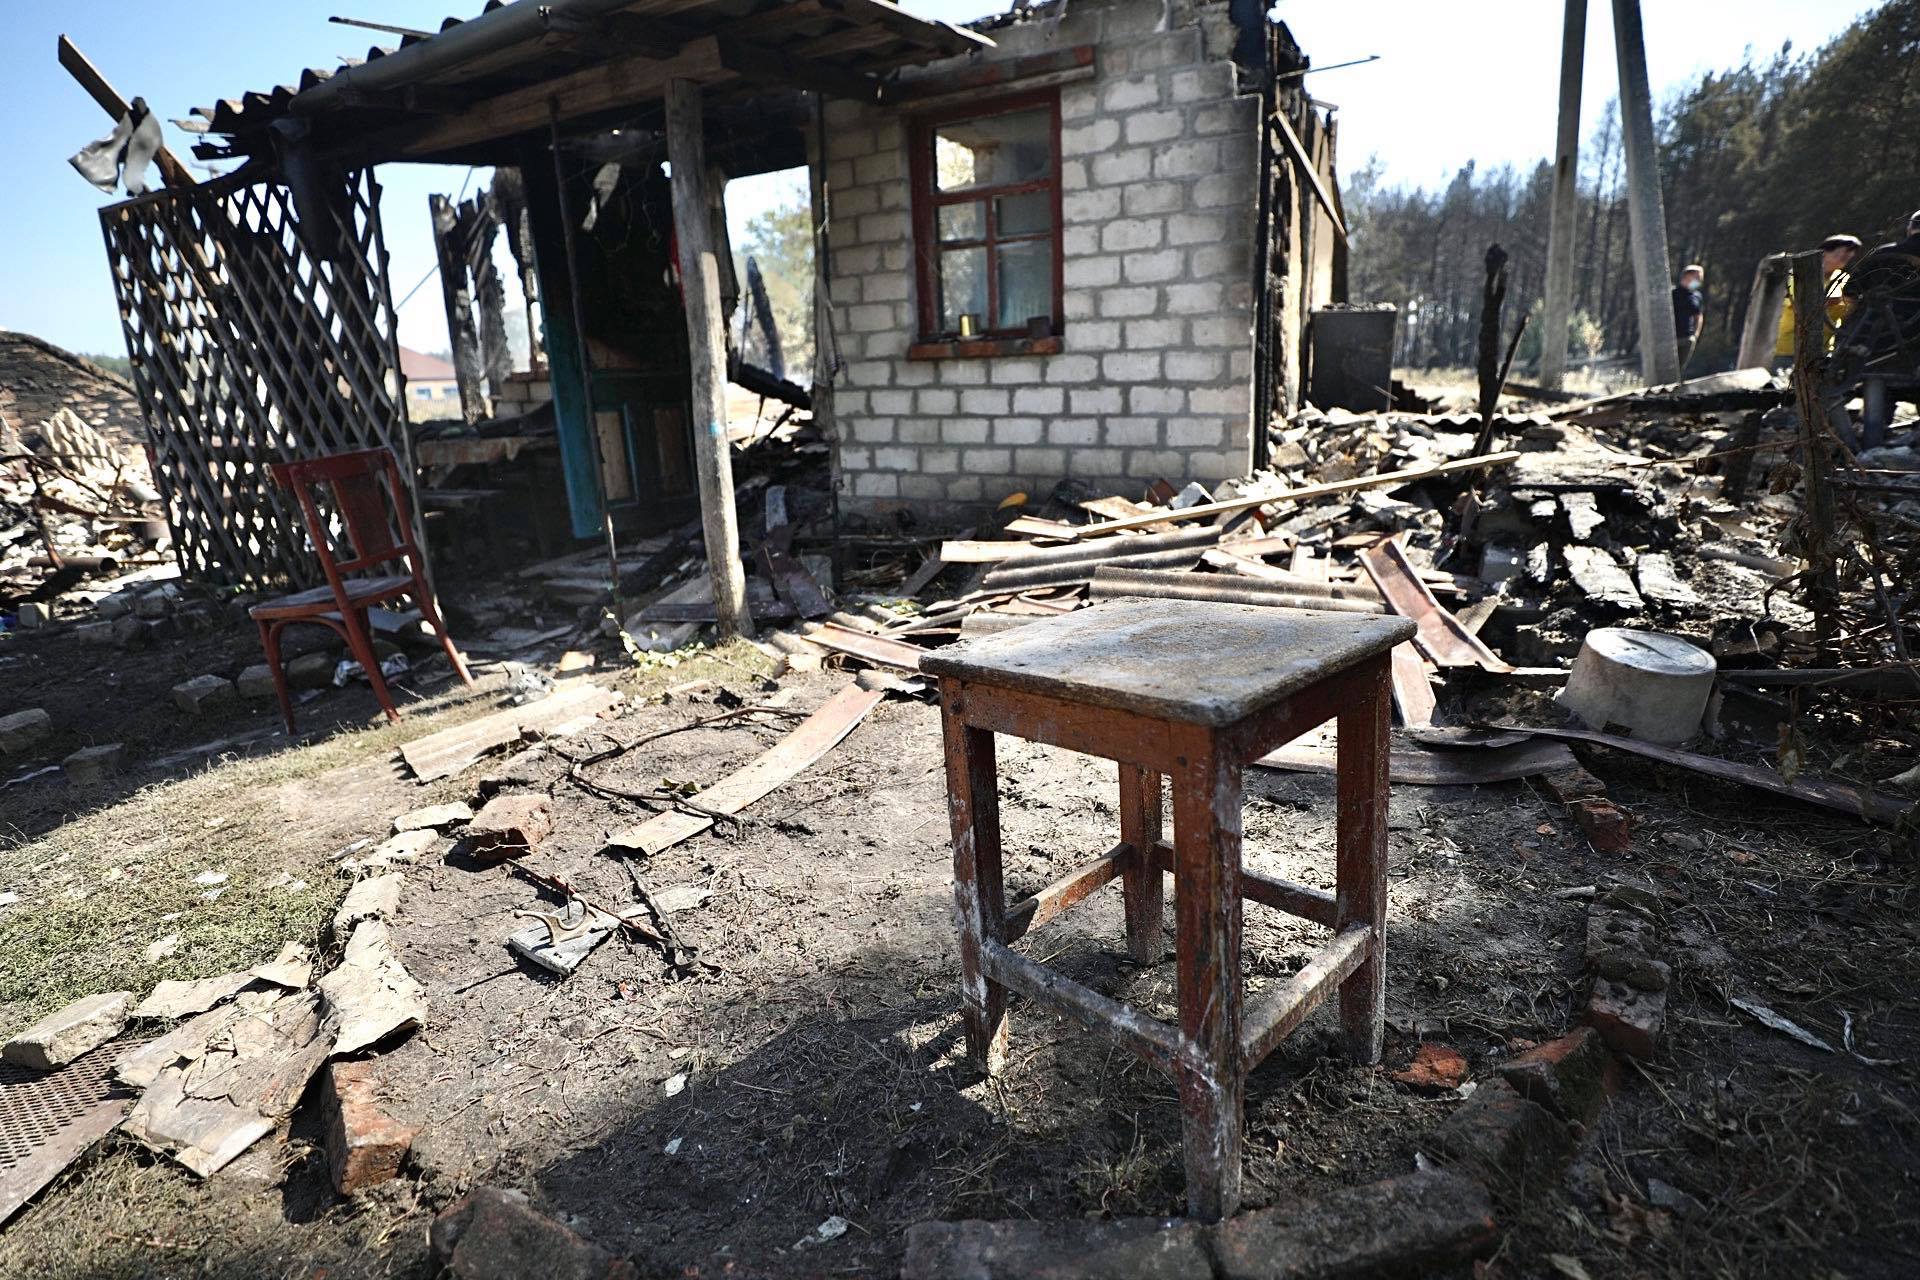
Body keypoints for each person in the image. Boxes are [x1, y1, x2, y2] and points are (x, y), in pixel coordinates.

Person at [1775, 234, 1862, 365]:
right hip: (1790, 346)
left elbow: (1849, 307)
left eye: (1850, 254)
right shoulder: (1801, 274)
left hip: (1823, 348)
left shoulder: (1844, 278)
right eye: (1841, 252)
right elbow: (1801, 302)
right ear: (1824, 252)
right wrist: (1838, 301)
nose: (1847, 256)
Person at [1671, 265, 1705, 375]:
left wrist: (1695, 335)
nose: (1699, 281)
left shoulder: (1696, 296)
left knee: (1678, 371)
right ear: (1687, 276)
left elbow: (1698, 316)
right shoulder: (1673, 293)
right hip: (1671, 338)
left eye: (1700, 278)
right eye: (1697, 277)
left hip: (1687, 338)